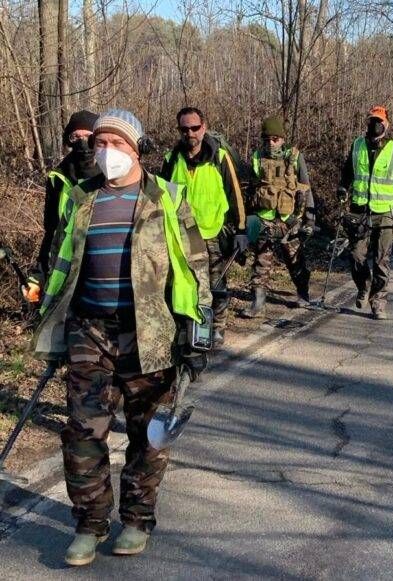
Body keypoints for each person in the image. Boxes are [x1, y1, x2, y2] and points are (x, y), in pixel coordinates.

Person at [27, 109, 212, 566]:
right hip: (88, 330)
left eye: (117, 145)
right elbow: (61, 264)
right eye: (102, 144)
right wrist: (51, 323)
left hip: (149, 333)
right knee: (83, 433)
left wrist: (199, 330)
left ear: (137, 150)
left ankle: (135, 519)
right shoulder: (80, 198)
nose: (107, 152)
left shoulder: (166, 197)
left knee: (148, 435)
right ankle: (90, 523)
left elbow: (195, 267)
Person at [159, 107, 247, 346]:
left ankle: (216, 328)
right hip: (182, 234)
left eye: (195, 128)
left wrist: (241, 229)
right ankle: (189, 328)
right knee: (185, 283)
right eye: (184, 129)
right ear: (179, 131)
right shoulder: (171, 159)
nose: (190, 133)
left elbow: (235, 193)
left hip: (213, 232)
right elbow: (161, 197)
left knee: (216, 283)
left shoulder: (219, 157)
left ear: (204, 127)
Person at [337, 105, 393, 320]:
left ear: (386, 124)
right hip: (359, 211)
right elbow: (347, 173)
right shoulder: (357, 145)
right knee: (355, 256)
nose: (374, 124)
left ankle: (378, 301)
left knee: (381, 260)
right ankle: (364, 285)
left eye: (379, 121)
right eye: (371, 120)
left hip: (385, 213)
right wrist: (343, 187)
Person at [241, 116, 315, 318]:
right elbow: (249, 188)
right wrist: (247, 218)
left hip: (289, 219)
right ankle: (258, 302)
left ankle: (303, 294)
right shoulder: (257, 157)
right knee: (261, 261)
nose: (271, 143)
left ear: (283, 139)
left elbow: (305, 188)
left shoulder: (294, 157)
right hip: (264, 218)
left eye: (275, 139)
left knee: (295, 259)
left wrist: (309, 217)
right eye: (267, 140)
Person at [35, 110, 101, 280]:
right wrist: (39, 275)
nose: (83, 143)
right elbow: (51, 232)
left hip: (102, 269)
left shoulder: (112, 175)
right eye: (76, 137)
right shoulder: (57, 178)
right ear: (68, 140)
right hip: (66, 272)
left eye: (89, 136)